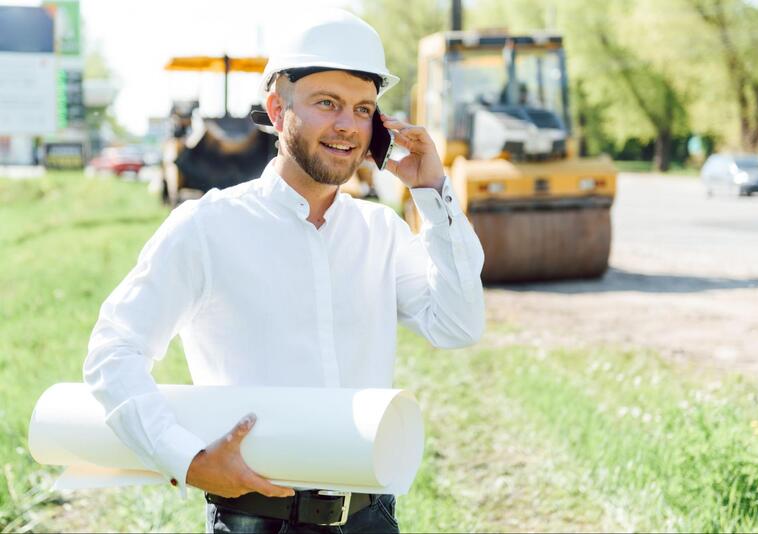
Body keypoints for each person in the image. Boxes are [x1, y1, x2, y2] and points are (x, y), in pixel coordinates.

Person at [83, 9, 485, 534]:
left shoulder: (379, 233)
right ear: (277, 108)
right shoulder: (207, 228)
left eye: (363, 109)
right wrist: (186, 460)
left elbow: (458, 326)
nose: (346, 125)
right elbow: (113, 352)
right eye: (327, 104)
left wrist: (434, 193)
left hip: (370, 517)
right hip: (255, 519)